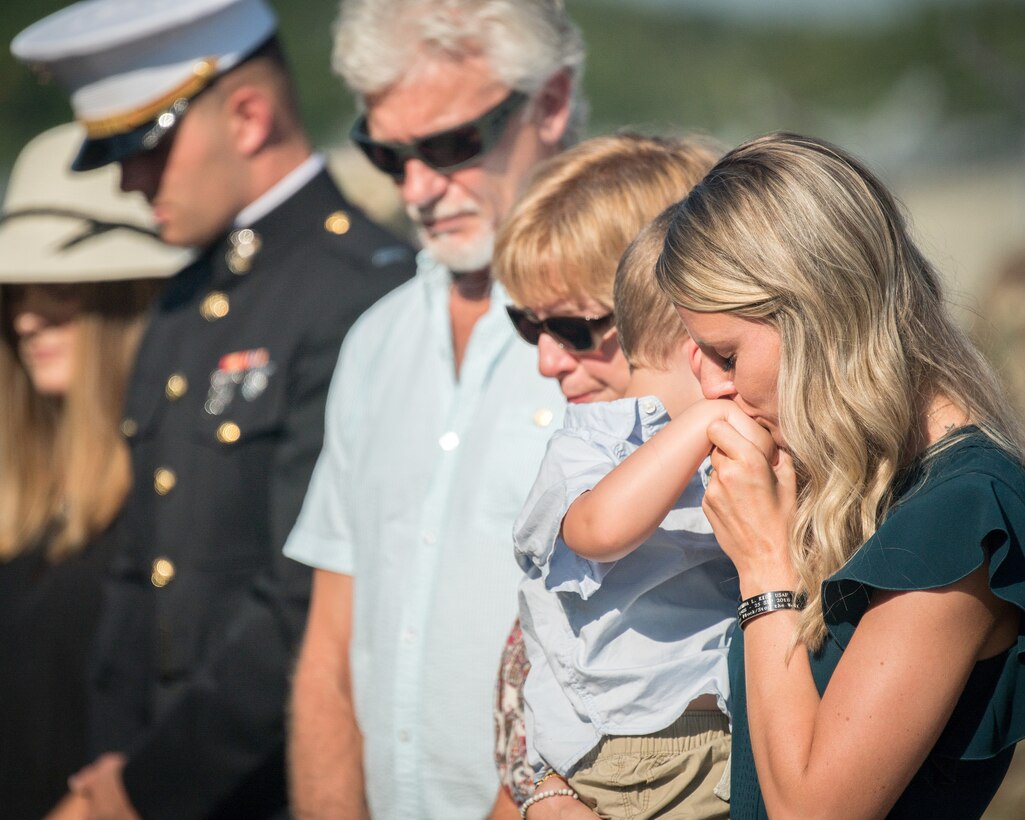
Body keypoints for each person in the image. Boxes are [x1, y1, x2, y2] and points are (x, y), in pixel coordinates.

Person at [11, 1, 415, 817]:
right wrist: (105, 777)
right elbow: (141, 581)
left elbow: (302, 599)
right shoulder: (186, 302)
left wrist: (146, 787)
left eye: (145, 148)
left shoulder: (358, 293)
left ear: (249, 115)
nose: (129, 179)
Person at [654, 132, 1025, 819]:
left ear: (817, 317)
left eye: (724, 354)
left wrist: (764, 569)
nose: (707, 384)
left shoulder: (961, 513)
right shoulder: (859, 484)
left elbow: (813, 809)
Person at [284, 2, 583, 817]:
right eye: (387, 153)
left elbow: (643, 670)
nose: (417, 187)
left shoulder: (635, 334)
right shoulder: (374, 342)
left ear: (550, 102)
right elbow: (329, 651)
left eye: (452, 145)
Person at [491, 133, 726, 819]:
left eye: (573, 326)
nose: (546, 362)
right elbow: (524, 735)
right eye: (524, 324)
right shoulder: (583, 461)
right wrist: (545, 796)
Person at [0, 122, 187, 820]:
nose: (25, 317)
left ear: (129, 297)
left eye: (60, 289)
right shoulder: (21, 499)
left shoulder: (170, 506)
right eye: (15, 291)